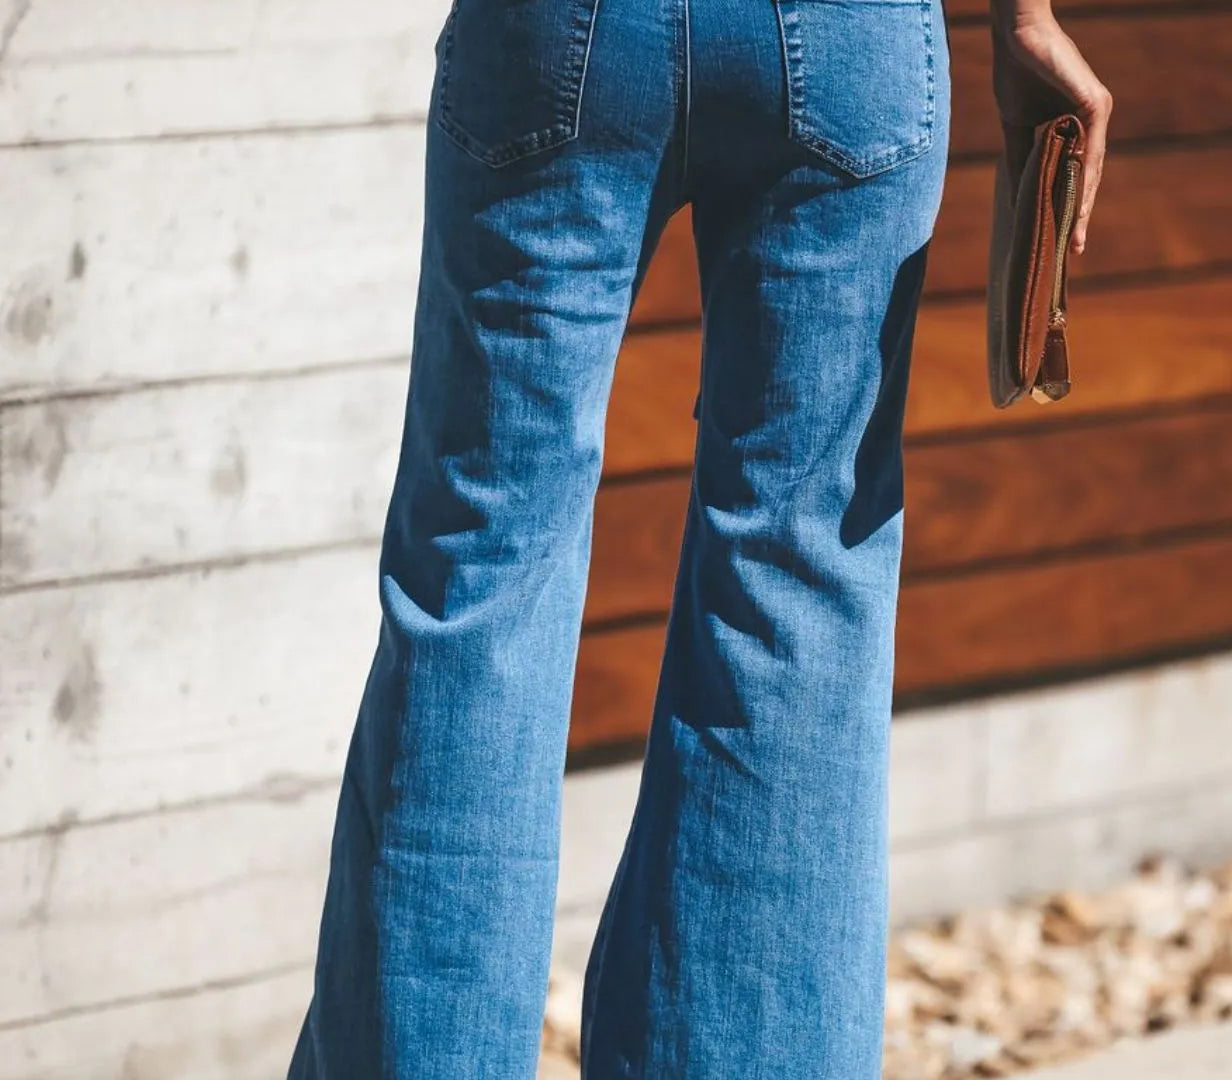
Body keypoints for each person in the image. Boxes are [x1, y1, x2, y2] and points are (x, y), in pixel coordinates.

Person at [286, 0, 1110, 1076]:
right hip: (846, 40)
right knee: (796, 578)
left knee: (479, 573)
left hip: (560, 33)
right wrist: (1026, 17)